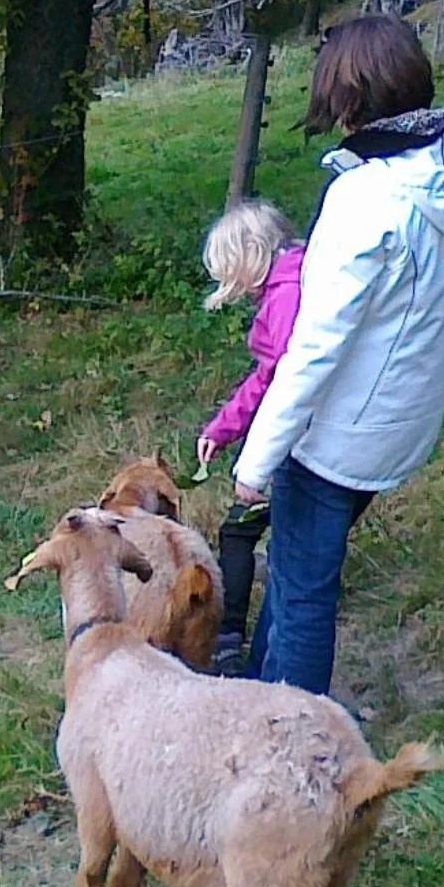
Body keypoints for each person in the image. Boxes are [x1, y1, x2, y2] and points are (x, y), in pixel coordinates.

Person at [232, 16, 444, 696]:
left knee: (304, 593)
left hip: (338, 439)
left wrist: (255, 460)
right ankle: (259, 687)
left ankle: (289, 745)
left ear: (349, 101)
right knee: (299, 572)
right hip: (398, 425)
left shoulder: (365, 200)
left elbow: (315, 348)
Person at [195, 199, 305, 676]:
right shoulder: (298, 277)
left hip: (301, 437)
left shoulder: (286, 297)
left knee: (240, 531)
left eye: (231, 271)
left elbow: (278, 378)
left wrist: (251, 454)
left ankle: (228, 644)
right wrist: (225, 427)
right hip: (305, 431)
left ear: (251, 255)